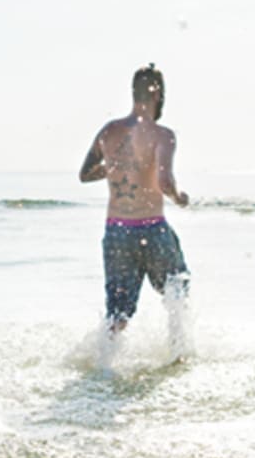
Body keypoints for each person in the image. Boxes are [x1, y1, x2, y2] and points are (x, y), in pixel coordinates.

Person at [78, 64, 191, 336]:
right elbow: (165, 182)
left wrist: (114, 168)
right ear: (157, 94)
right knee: (176, 293)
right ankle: (178, 355)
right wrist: (179, 198)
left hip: (117, 230)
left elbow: (85, 174)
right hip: (151, 228)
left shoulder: (109, 131)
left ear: (133, 93)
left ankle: (104, 366)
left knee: (118, 312)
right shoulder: (162, 135)